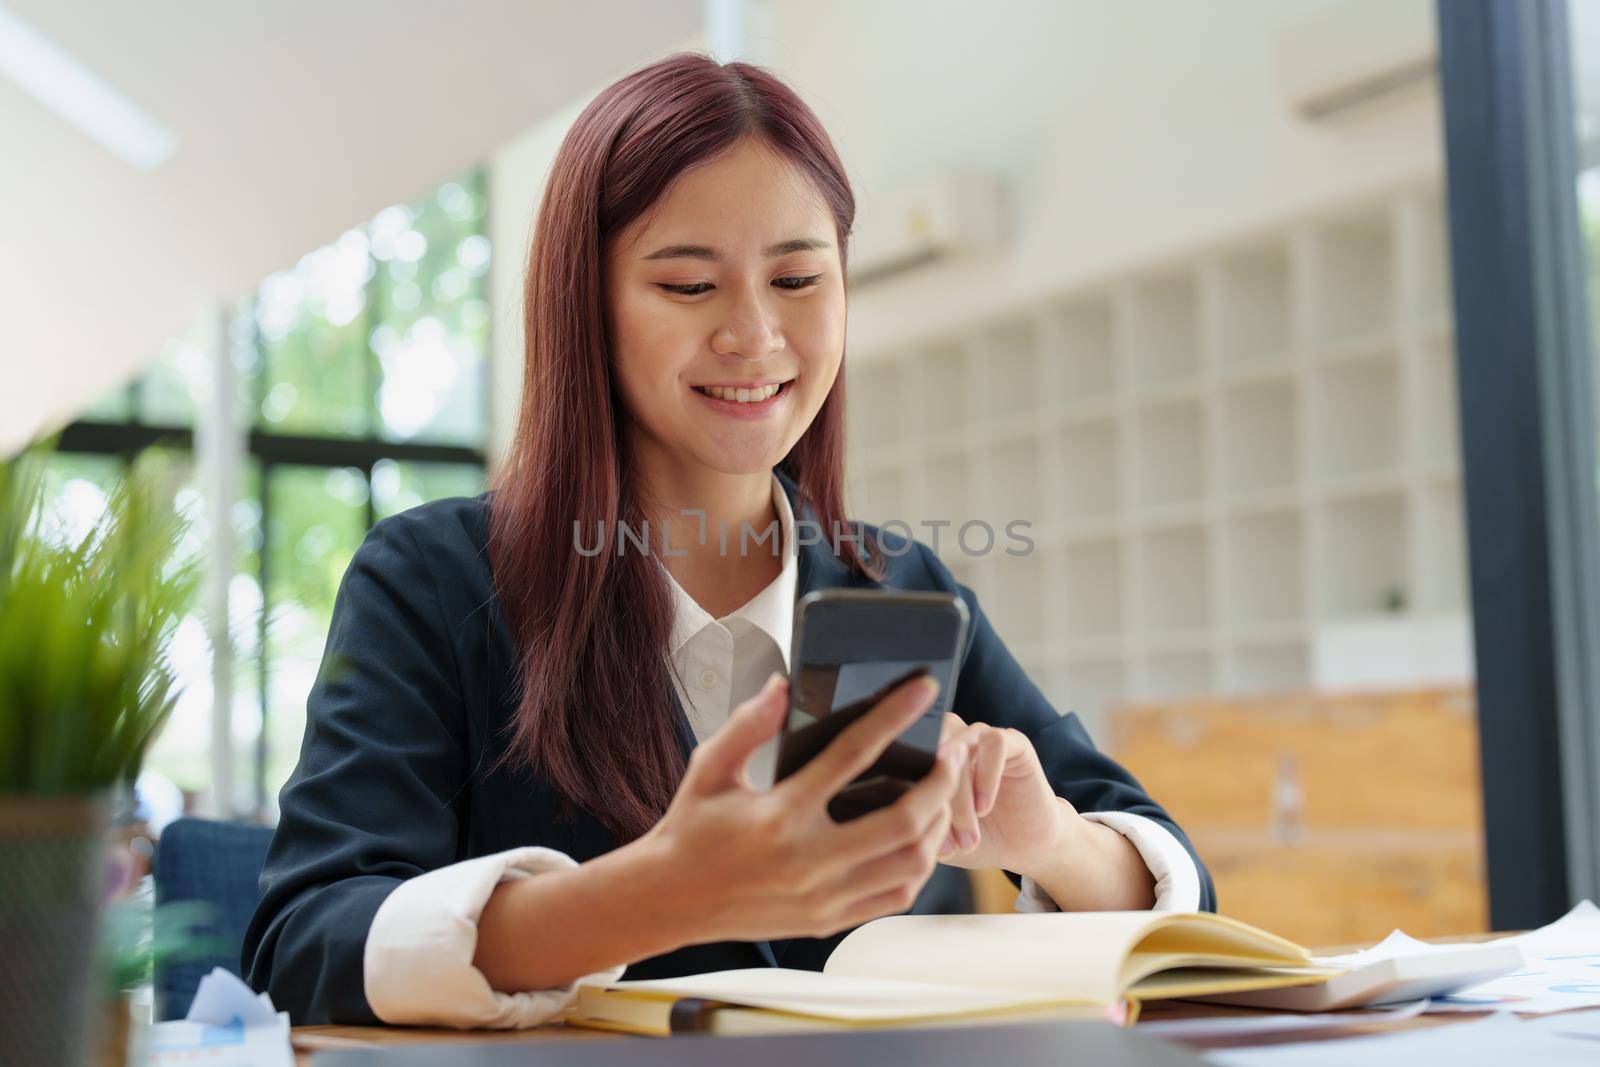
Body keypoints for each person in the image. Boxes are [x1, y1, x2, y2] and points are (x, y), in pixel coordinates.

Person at [242, 52, 1215, 1029]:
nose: (754, 334)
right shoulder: (440, 582)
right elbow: (308, 940)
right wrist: (658, 891)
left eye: (796, 276)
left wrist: (1048, 837)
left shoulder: (895, 589)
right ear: (587, 306)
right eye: (688, 285)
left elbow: (1180, 894)